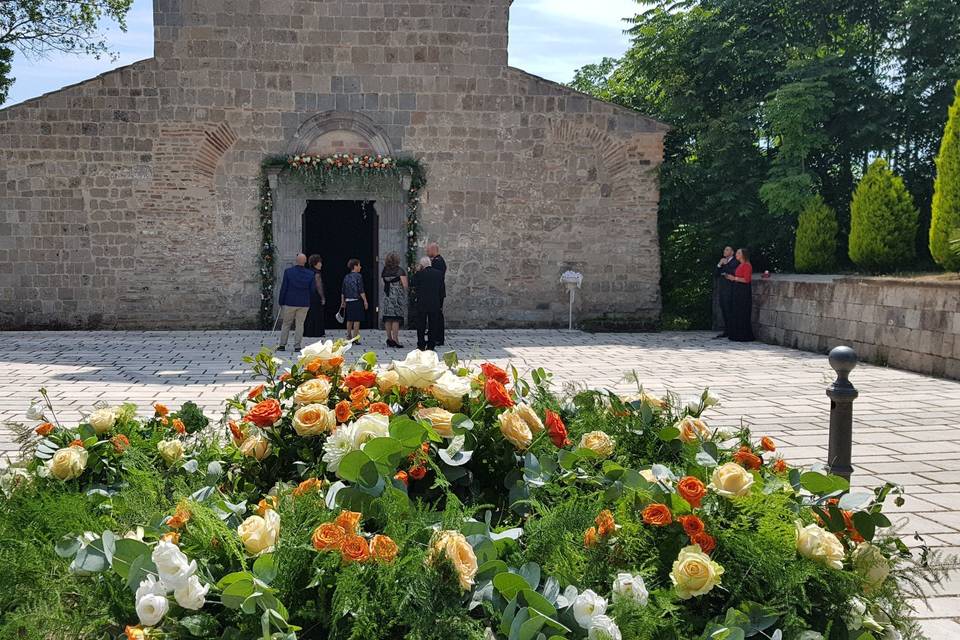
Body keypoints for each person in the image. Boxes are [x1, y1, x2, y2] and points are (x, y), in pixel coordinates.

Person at [277, 253, 315, 352]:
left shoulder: (288, 272)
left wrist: (281, 300)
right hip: (304, 303)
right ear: (305, 261)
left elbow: (284, 287)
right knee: (300, 324)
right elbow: (312, 290)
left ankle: (282, 345)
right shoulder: (310, 274)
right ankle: (297, 345)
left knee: (286, 324)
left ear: (296, 261)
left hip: (290, 302)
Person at [412, 256, 444, 351]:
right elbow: (442, 290)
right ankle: (431, 345)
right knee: (433, 324)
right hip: (434, 302)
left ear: (422, 265)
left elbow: (413, 283)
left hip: (422, 303)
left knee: (421, 324)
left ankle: (421, 344)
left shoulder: (420, 274)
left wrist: (417, 271)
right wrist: (440, 304)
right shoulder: (439, 274)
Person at [724, 248, 755, 342]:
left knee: (742, 312)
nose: (736, 254)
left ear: (743, 255)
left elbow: (746, 280)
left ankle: (743, 335)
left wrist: (734, 278)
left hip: (743, 291)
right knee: (736, 312)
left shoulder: (747, 265)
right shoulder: (740, 265)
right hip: (737, 290)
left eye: (738, 253)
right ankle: (736, 334)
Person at [380, 252, 409, 348]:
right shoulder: (400, 271)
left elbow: (383, 284)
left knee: (388, 318)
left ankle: (389, 339)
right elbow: (405, 285)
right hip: (397, 298)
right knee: (396, 319)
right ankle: (396, 339)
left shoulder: (384, 271)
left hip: (387, 297)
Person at [339, 258, 368, 343]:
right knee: (356, 320)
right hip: (356, 300)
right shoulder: (359, 276)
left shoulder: (346, 276)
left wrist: (342, 301)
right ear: (355, 266)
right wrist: (365, 301)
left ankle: (348, 336)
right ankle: (355, 338)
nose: (360, 267)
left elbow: (343, 290)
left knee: (349, 319)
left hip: (348, 300)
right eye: (359, 265)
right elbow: (361, 290)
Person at [714, 246, 739, 339]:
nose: (725, 251)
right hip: (723, 289)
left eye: (727, 250)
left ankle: (732, 331)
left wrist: (726, 265)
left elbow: (733, 272)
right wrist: (719, 264)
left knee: (730, 310)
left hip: (731, 289)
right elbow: (716, 274)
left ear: (732, 252)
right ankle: (727, 330)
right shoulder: (722, 261)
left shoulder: (736, 261)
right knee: (724, 310)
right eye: (724, 249)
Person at [426, 242, 447, 345]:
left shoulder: (438, 262)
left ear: (434, 250)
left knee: (437, 315)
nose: (427, 252)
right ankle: (435, 336)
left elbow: (436, 278)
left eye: (428, 250)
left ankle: (438, 338)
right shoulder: (436, 260)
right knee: (436, 315)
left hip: (437, 293)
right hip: (436, 292)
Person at [303, 254, 326, 338]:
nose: (321, 264)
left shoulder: (307, 272)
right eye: (320, 262)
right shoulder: (317, 273)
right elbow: (319, 286)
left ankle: (308, 331)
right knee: (317, 314)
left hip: (308, 296)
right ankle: (317, 332)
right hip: (315, 296)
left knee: (309, 314)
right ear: (315, 263)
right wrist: (322, 297)